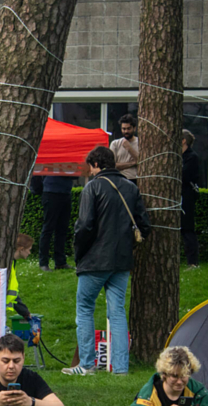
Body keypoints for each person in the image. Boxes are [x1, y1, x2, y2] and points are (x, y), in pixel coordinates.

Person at [62, 146, 151, 376]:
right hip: (121, 260)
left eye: (89, 166)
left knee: (84, 309)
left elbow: (84, 227)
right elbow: (145, 225)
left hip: (94, 260)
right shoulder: (131, 188)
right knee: (117, 313)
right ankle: (120, 368)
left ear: (95, 164)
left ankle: (87, 365)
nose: (89, 171)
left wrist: (79, 255)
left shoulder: (92, 187)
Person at [38, 175, 74, 272]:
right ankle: (43, 263)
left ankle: (60, 262)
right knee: (48, 229)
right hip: (52, 192)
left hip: (63, 192)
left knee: (62, 229)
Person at [181, 130, 202, 269]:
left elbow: (185, 175)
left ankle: (192, 262)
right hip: (180, 195)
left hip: (187, 197)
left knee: (187, 229)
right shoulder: (180, 156)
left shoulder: (192, 157)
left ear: (183, 141)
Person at [7, 234, 32, 321]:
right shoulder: (8, 264)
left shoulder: (11, 263)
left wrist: (23, 311)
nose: (29, 253)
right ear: (21, 249)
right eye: (29, 250)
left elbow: (12, 293)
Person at [111, 114, 140, 182]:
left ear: (134, 128)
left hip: (136, 179)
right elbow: (112, 165)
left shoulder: (140, 143)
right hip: (120, 179)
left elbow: (142, 162)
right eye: (124, 129)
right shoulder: (115, 144)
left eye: (128, 128)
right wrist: (133, 163)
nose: (126, 131)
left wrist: (130, 149)